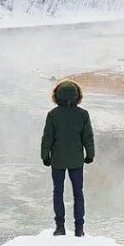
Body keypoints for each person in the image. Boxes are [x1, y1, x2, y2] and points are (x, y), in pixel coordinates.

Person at [41, 79, 94, 237]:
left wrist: (45, 156)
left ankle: (60, 227)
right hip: (77, 161)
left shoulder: (53, 115)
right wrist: (90, 155)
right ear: (77, 95)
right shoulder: (83, 114)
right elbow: (88, 137)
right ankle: (79, 228)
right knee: (78, 193)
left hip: (57, 160)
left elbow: (47, 138)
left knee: (58, 192)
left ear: (57, 95)